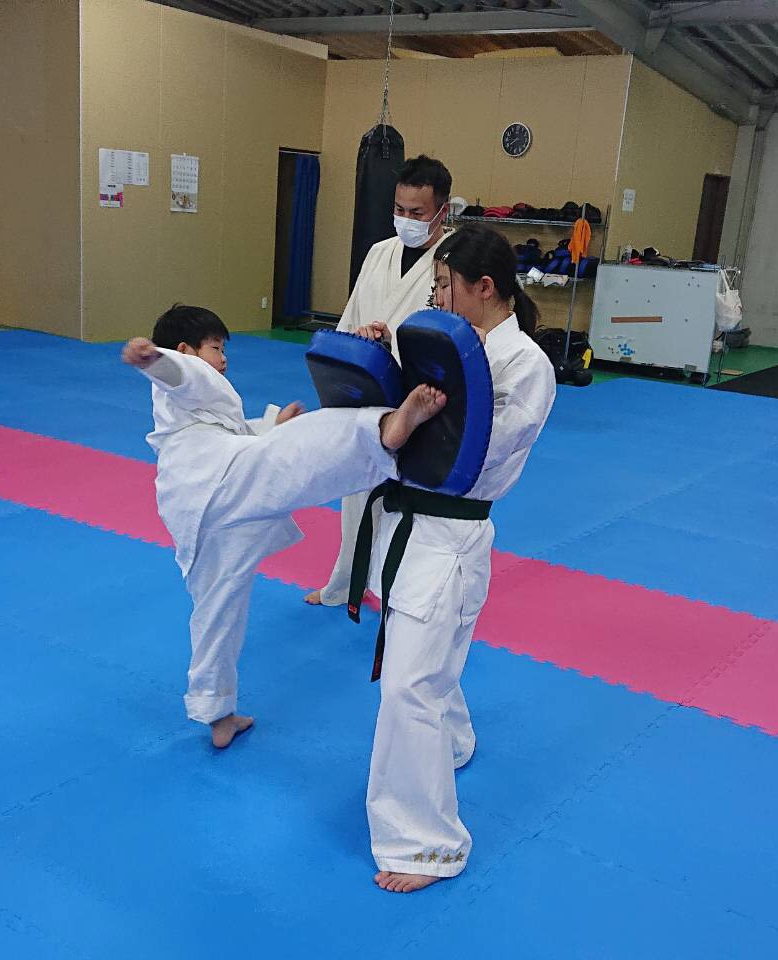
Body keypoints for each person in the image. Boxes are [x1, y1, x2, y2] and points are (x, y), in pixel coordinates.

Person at [123, 304, 446, 749]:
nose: (223, 359)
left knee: (217, 611)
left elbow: (231, 433)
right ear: (186, 349)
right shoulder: (185, 376)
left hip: (197, 507)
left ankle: (216, 712)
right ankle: (380, 430)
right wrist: (154, 360)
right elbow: (184, 375)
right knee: (301, 446)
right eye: (216, 348)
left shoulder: (194, 408)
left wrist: (270, 426)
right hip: (216, 480)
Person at [350, 228, 556, 893]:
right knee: (429, 664)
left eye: (443, 285)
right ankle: (454, 742)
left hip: (449, 536)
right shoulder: (451, 349)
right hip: (411, 528)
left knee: (409, 685)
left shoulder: (524, 364)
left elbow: (471, 453)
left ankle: (427, 844)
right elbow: (406, 418)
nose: (436, 296)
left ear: (483, 288)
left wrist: (411, 415)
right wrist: (383, 362)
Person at [304, 155, 455, 609]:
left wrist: (395, 343)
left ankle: (397, 591)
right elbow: (350, 318)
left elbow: (452, 335)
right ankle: (346, 582)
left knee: (404, 499)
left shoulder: (453, 261)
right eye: (399, 209)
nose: (406, 220)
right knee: (356, 492)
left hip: (418, 397)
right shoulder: (379, 252)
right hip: (367, 386)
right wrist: (357, 344)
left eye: (417, 212)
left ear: (442, 211)